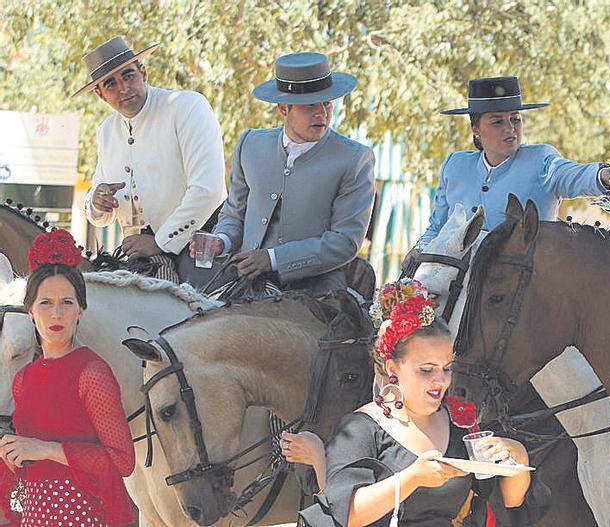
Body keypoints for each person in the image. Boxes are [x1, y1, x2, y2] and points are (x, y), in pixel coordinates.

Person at [298, 279, 546, 527]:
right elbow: (346, 514)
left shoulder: (459, 424)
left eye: (447, 369)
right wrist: (412, 477)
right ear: (392, 367)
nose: (440, 380)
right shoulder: (361, 427)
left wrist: (519, 457)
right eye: (426, 370)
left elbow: (512, 502)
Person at [206, 52, 376, 295]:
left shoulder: (355, 158)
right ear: (283, 108)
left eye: (327, 103)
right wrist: (220, 240)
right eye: (310, 106)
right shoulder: (250, 144)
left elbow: (345, 242)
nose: (322, 113)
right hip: (243, 283)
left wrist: (273, 259)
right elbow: (234, 213)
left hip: (317, 289)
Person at [0, 230, 136, 526]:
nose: (56, 313)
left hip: (83, 516)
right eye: (46, 303)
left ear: (81, 311)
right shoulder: (23, 380)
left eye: (67, 302)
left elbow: (122, 461)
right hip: (34, 517)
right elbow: (33, 468)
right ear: (30, 312)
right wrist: (13, 457)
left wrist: (45, 448)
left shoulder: (92, 373)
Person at [415, 76, 610, 249]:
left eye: (515, 119)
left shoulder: (540, 160)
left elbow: (571, 174)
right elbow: (437, 228)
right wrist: (418, 254)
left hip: (527, 289)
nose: (510, 128)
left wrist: (604, 175)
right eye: (497, 122)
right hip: (460, 285)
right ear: (476, 130)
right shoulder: (455, 165)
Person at [78, 36, 227, 283]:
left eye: (128, 75)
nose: (123, 89)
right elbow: (99, 212)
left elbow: (208, 191)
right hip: (137, 254)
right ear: (100, 95)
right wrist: (98, 200)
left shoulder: (187, 107)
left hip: (198, 243)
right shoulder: (107, 131)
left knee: (201, 311)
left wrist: (160, 242)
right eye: (110, 84)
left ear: (143, 72)